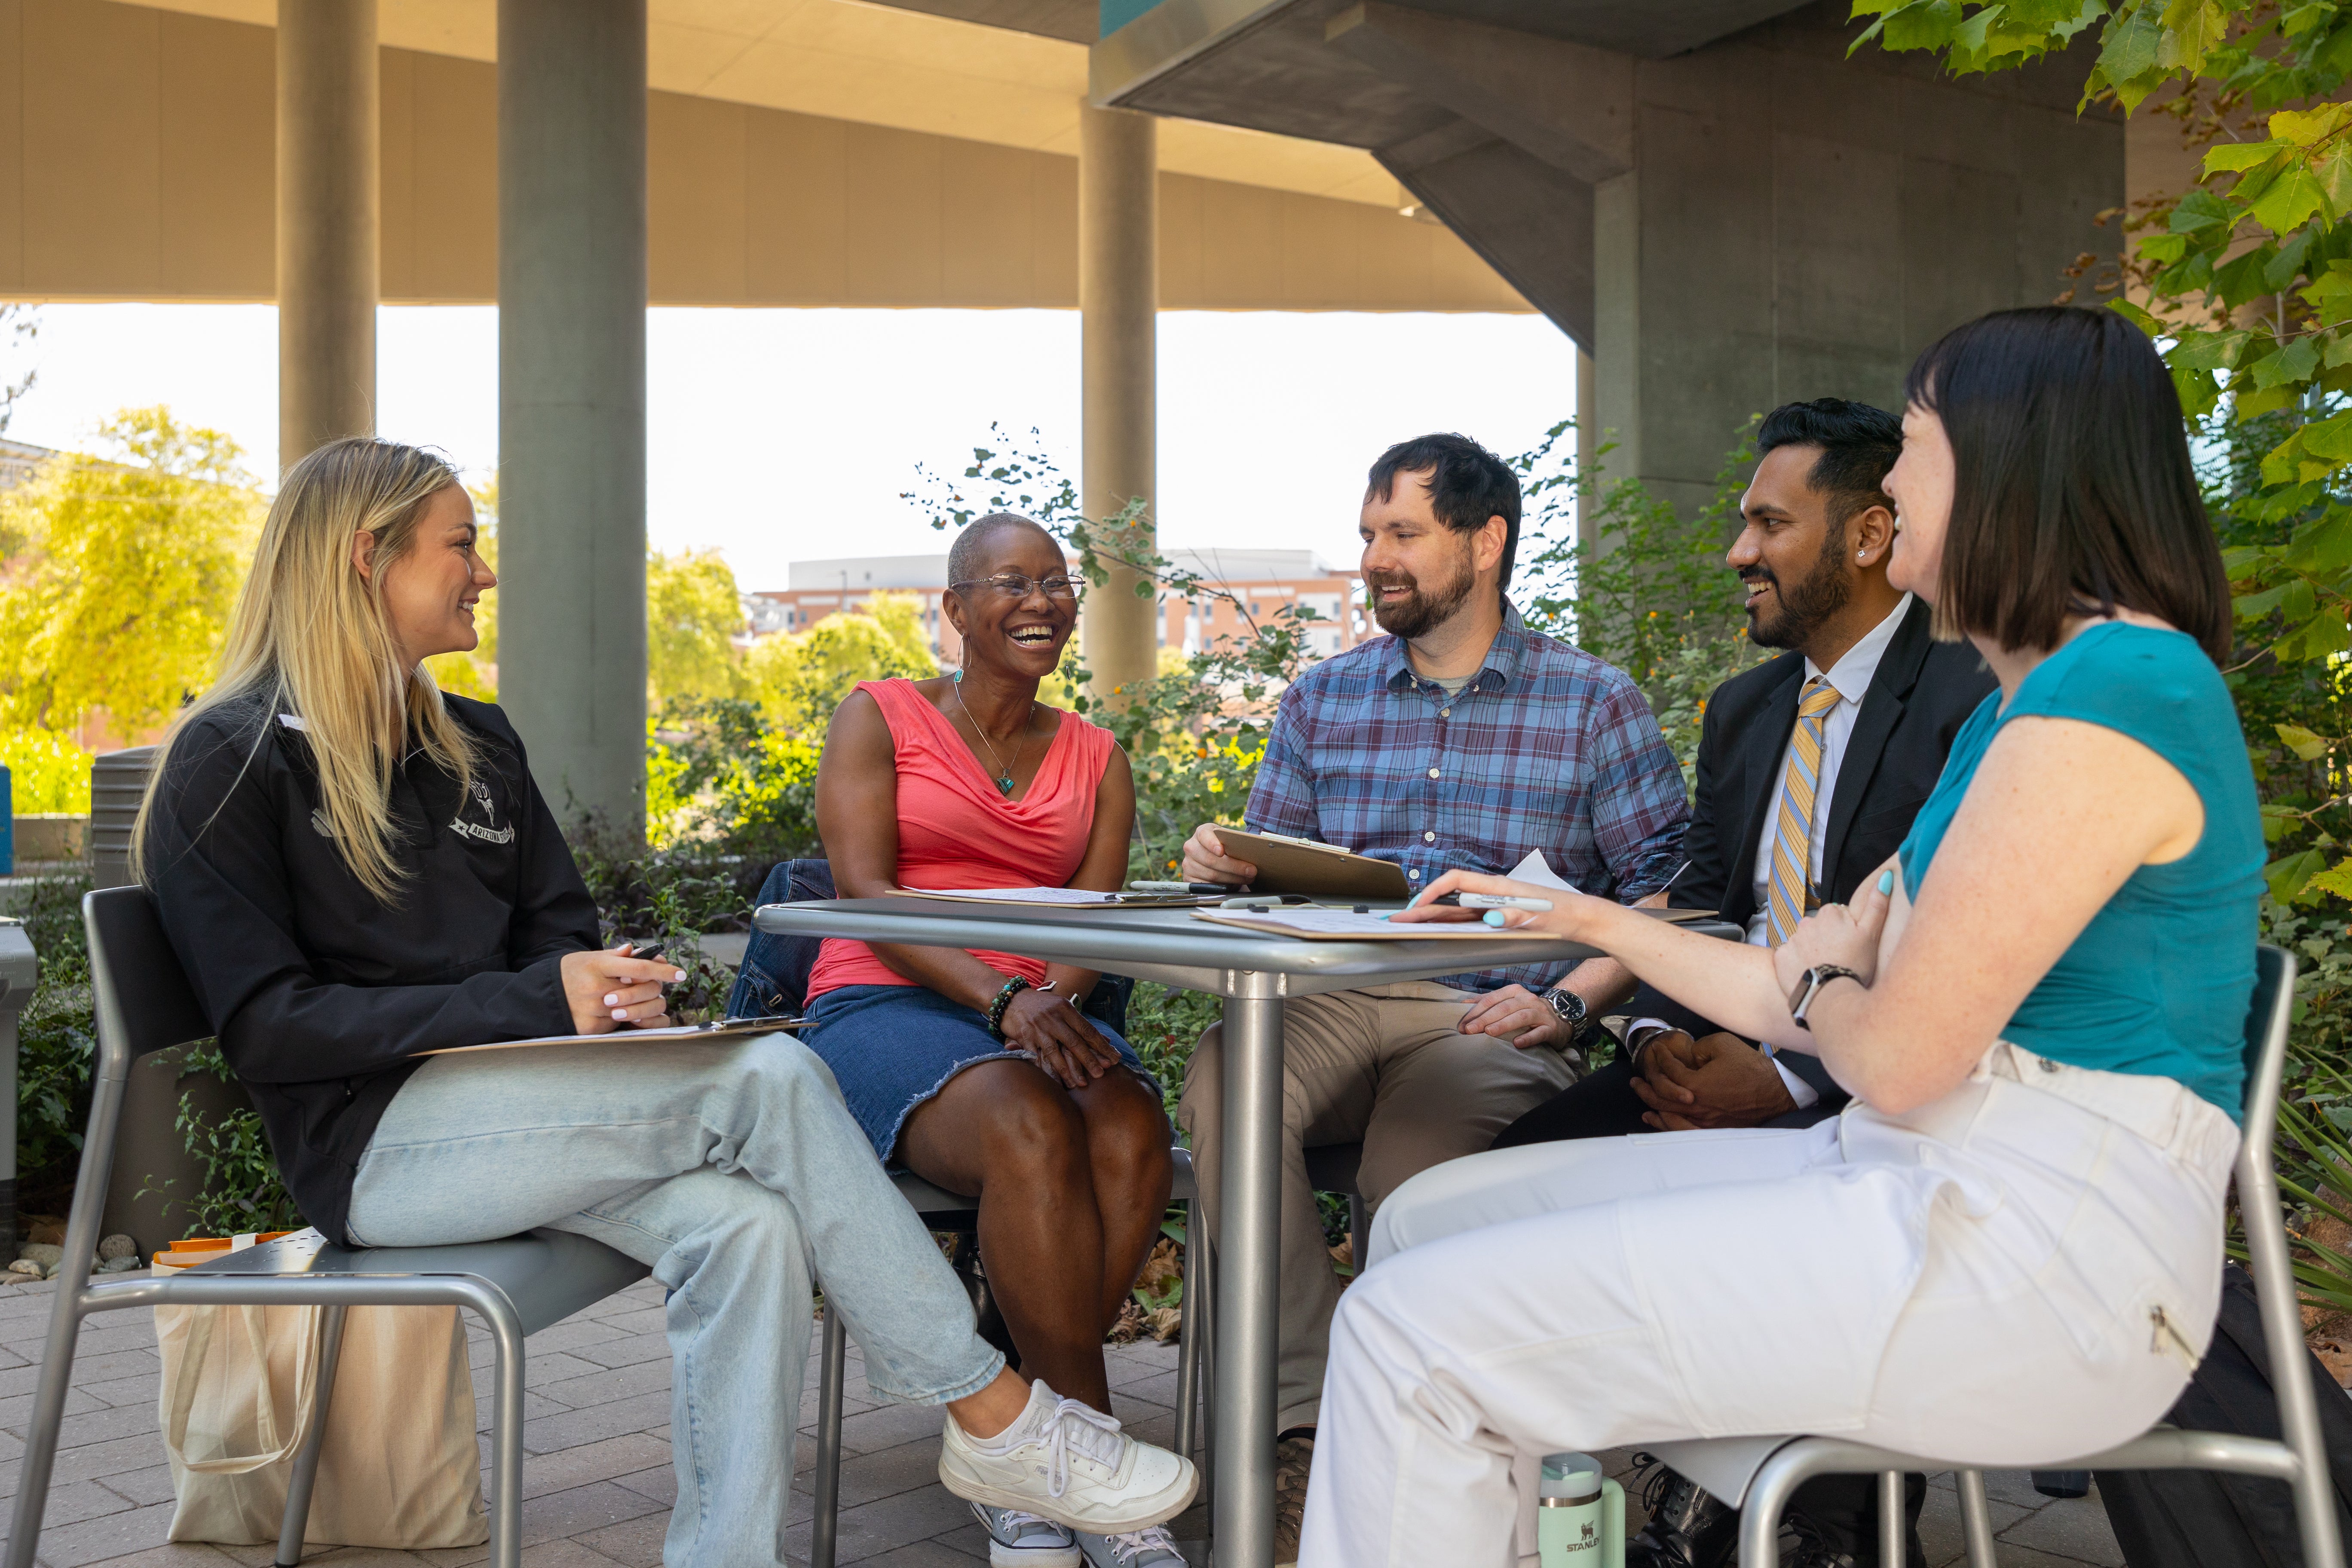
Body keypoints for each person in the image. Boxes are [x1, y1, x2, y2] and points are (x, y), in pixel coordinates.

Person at [1304, 306, 2260, 1568]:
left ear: (2006, 463)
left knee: (1410, 1331)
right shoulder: (2021, 708)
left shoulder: (2121, 692)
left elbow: (1896, 1050)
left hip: (2037, 1259)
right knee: (1430, 1230)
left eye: (1915, 443)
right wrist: (1589, 918)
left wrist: (1830, 977)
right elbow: (1801, 970)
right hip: (1923, 1180)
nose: (1900, 480)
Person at [137, 444, 1196, 1568]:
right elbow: (270, 1030)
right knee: (770, 1075)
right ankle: (995, 1418)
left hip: (529, 1117)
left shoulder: (475, 742)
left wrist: (609, 1000)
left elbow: (554, 935)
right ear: (367, 558)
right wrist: (539, 999)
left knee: (749, 1226)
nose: (484, 572)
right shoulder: (233, 758)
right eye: (461, 543)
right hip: (377, 1149)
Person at [1491, 399, 1997, 1567]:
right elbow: (1707, 902)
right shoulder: (1746, 708)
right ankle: (1598, 1513)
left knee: (1795, 1222)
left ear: (1870, 535)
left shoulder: (1975, 698)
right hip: (1718, 1055)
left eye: (1769, 523)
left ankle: (1821, 1531)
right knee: (1503, 1184)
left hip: (1877, 1081)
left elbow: (1937, 950)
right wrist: (1655, 1040)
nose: (1738, 553)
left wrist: (1787, 1076)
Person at [1176, 433, 1690, 1554]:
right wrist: (1226, 867)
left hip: (1492, 1017)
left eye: (1402, 533)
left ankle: (1434, 1449)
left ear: (1486, 540)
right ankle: (1307, 1426)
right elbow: (1271, 877)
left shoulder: (1597, 705)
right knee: (1226, 1087)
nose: (1376, 559)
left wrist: (1571, 1008)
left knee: (1410, 1173)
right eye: (1368, 536)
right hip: (1329, 1002)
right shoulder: (1321, 702)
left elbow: (1669, 901)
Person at [805, 511, 1188, 1568]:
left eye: (1056, 582)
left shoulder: (1097, 755)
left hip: (1042, 1007)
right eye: (1010, 582)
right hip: (883, 1002)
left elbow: (1094, 918)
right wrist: (1000, 1004)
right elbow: (866, 897)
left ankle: (1012, 1433)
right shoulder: (878, 718)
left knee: (1131, 1131)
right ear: (957, 608)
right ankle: (1089, 1465)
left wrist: (1044, 1001)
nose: (1040, 601)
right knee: (1027, 1124)